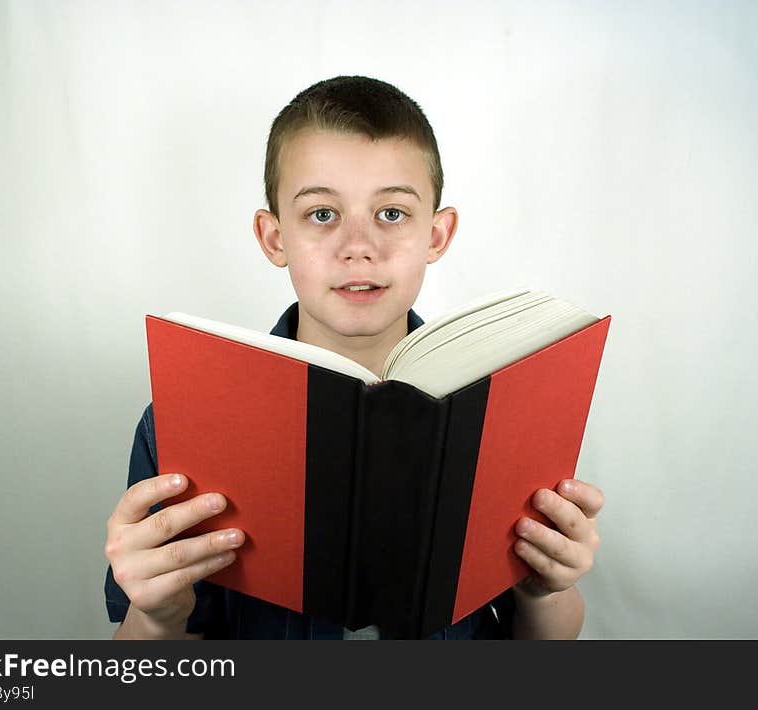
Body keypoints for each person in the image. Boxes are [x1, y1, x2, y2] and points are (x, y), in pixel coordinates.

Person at [104, 75, 604, 640]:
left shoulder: (505, 406)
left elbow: (544, 643)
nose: (358, 245)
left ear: (437, 236)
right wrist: (153, 615)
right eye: (322, 214)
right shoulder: (182, 421)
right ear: (274, 238)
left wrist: (551, 589)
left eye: (392, 213)